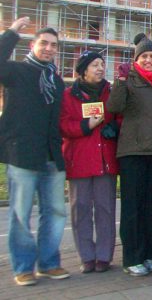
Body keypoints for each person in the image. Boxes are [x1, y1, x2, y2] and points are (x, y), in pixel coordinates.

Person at [0, 17, 70, 286]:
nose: (49, 48)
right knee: (20, 213)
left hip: (51, 153)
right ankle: (23, 266)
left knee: (54, 211)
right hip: (22, 153)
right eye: (44, 43)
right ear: (32, 44)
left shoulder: (55, 78)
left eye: (54, 45)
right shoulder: (16, 71)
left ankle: (49, 263)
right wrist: (10, 34)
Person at [106, 34, 152, 277]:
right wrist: (120, 81)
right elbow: (114, 106)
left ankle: (148, 254)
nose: (148, 60)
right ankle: (132, 257)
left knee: (150, 207)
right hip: (133, 151)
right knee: (133, 207)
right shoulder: (129, 79)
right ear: (137, 59)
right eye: (144, 56)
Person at [59, 51, 119, 274]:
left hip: (105, 159)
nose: (100, 68)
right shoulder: (68, 95)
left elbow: (120, 116)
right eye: (95, 65)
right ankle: (86, 256)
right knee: (80, 209)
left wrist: (115, 127)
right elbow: (63, 125)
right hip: (79, 160)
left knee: (105, 208)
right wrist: (86, 126)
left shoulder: (110, 92)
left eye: (102, 65)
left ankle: (104, 256)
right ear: (83, 70)